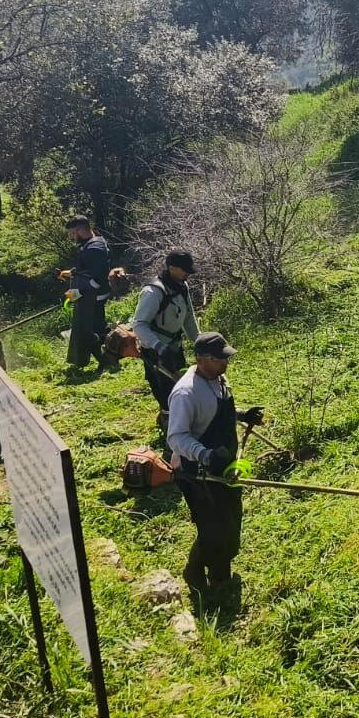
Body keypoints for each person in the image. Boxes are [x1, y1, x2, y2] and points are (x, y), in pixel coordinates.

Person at [165, 332, 264, 596]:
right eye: (218, 359)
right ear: (200, 359)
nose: (224, 363)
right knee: (213, 528)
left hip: (225, 466)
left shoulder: (219, 379)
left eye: (225, 358)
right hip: (198, 473)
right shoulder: (186, 393)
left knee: (230, 519)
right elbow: (176, 437)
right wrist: (206, 455)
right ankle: (206, 576)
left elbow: (217, 410)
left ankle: (214, 572)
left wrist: (242, 415)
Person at [131, 249, 201, 433]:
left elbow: (188, 319)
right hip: (155, 352)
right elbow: (139, 324)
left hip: (175, 348)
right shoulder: (153, 292)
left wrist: (199, 342)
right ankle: (169, 427)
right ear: (171, 268)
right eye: (184, 269)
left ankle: (182, 422)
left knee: (181, 388)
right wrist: (158, 346)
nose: (188, 274)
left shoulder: (181, 286)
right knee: (165, 392)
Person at [61, 215, 112, 369]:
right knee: (96, 328)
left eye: (72, 233)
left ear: (79, 230)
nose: (71, 237)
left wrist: (80, 292)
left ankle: (106, 361)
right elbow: (88, 268)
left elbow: (99, 277)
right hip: (89, 295)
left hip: (93, 297)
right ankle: (106, 359)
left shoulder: (94, 248)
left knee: (91, 331)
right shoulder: (93, 244)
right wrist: (71, 273)